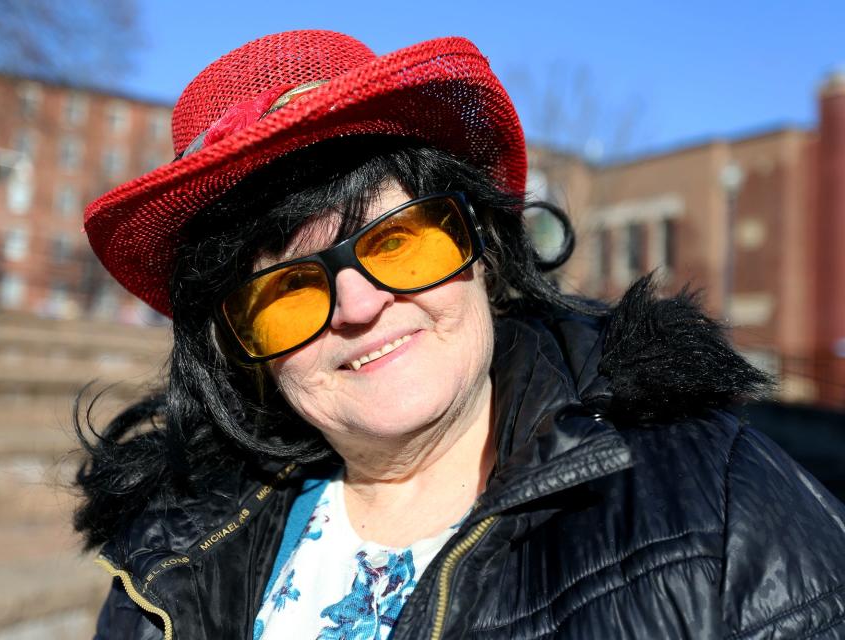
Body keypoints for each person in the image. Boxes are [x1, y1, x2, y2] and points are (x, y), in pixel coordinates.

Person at [75, 31, 845, 639]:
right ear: (239, 349)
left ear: (481, 245)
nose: (358, 304)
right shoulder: (169, 559)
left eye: (399, 241)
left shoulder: (717, 496)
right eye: (286, 290)